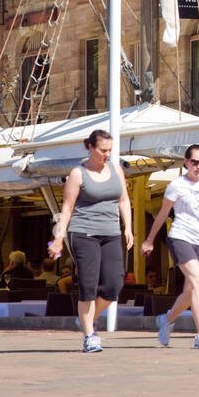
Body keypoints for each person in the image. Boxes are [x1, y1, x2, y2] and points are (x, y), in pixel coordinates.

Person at [48, 129, 132, 354]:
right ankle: (89, 335)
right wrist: (58, 239)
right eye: (103, 150)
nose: (107, 154)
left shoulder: (116, 169)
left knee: (114, 284)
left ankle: (87, 319)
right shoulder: (78, 173)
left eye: (110, 150)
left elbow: (123, 200)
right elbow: (67, 208)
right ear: (90, 148)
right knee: (88, 284)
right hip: (84, 233)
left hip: (111, 232)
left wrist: (128, 228)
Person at [143, 144, 199, 350]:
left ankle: (166, 320)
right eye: (195, 162)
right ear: (186, 161)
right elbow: (163, 214)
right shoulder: (176, 186)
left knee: (191, 291)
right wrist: (149, 240)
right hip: (180, 237)